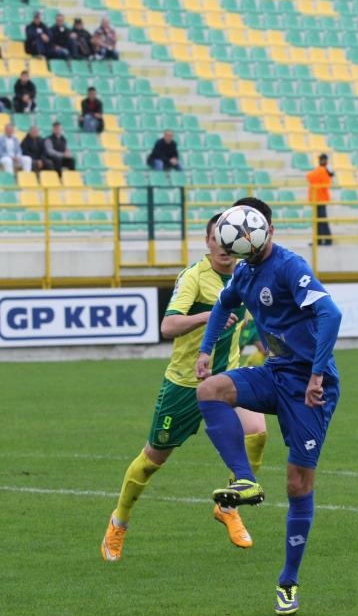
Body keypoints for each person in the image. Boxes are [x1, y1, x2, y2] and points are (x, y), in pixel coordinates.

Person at [195, 197, 342, 616]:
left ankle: (288, 581)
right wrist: (206, 351)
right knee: (210, 390)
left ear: (267, 232)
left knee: (298, 485)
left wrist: (317, 375)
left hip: (311, 386)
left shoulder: (291, 267)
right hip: (275, 374)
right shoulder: (244, 271)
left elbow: (331, 314)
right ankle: (245, 480)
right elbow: (224, 302)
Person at [101, 213, 268, 561]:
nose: (224, 247)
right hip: (184, 385)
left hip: (229, 379)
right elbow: (167, 325)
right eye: (217, 239)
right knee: (151, 460)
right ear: (208, 241)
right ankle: (118, 522)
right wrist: (207, 315)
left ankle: (228, 507)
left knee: (257, 430)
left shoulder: (244, 275)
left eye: (230, 241)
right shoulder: (194, 277)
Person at [306, 153, 334, 246]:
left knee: (320, 221)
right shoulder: (323, 170)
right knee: (320, 221)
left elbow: (309, 176)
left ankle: (324, 240)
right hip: (319, 199)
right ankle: (323, 240)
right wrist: (329, 173)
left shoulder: (320, 170)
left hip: (318, 199)